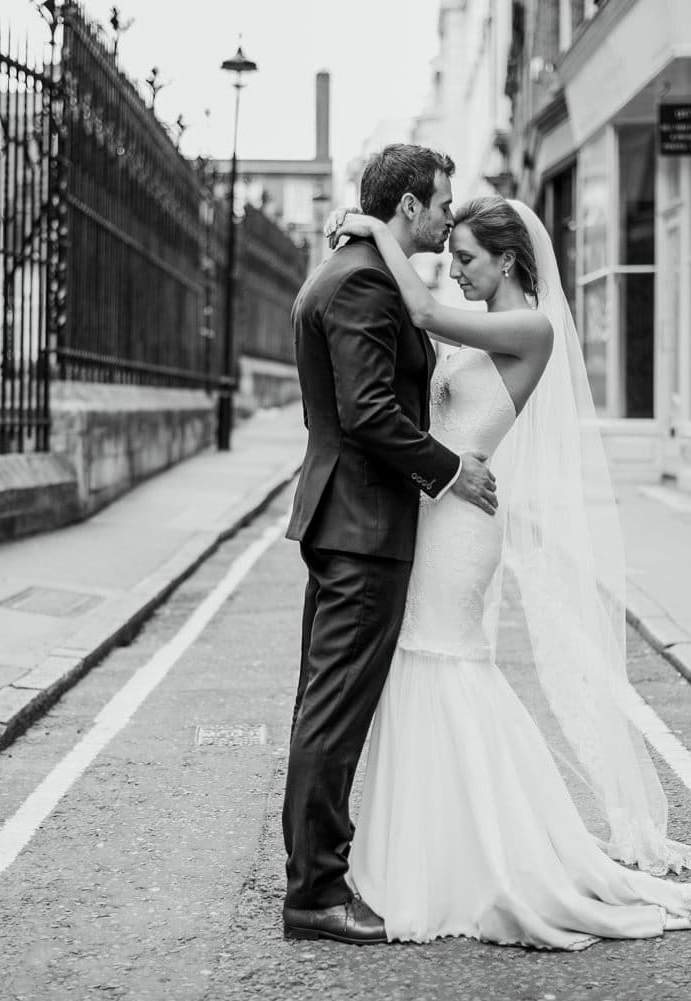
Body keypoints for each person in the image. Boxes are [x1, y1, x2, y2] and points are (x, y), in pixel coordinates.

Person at [326, 195, 691, 949]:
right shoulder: (484, 319)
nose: (458, 270)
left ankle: (482, 855)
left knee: (443, 665)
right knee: (420, 667)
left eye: (468, 258)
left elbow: (424, 314)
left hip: (461, 527)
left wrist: (379, 228)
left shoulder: (529, 327)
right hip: (437, 508)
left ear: (507, 260)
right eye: (454, 259)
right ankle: (429, 847)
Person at [281, 144, 498, 945]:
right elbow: (371, 412)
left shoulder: (346, 268)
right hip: (364, 528)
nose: (449, 215)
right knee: (335, 713)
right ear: (408, 206)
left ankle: (314, 872)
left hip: (346, 520)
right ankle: (316, 893)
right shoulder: (367, 282)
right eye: (442, 202)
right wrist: (450, 473)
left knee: (323, 705)